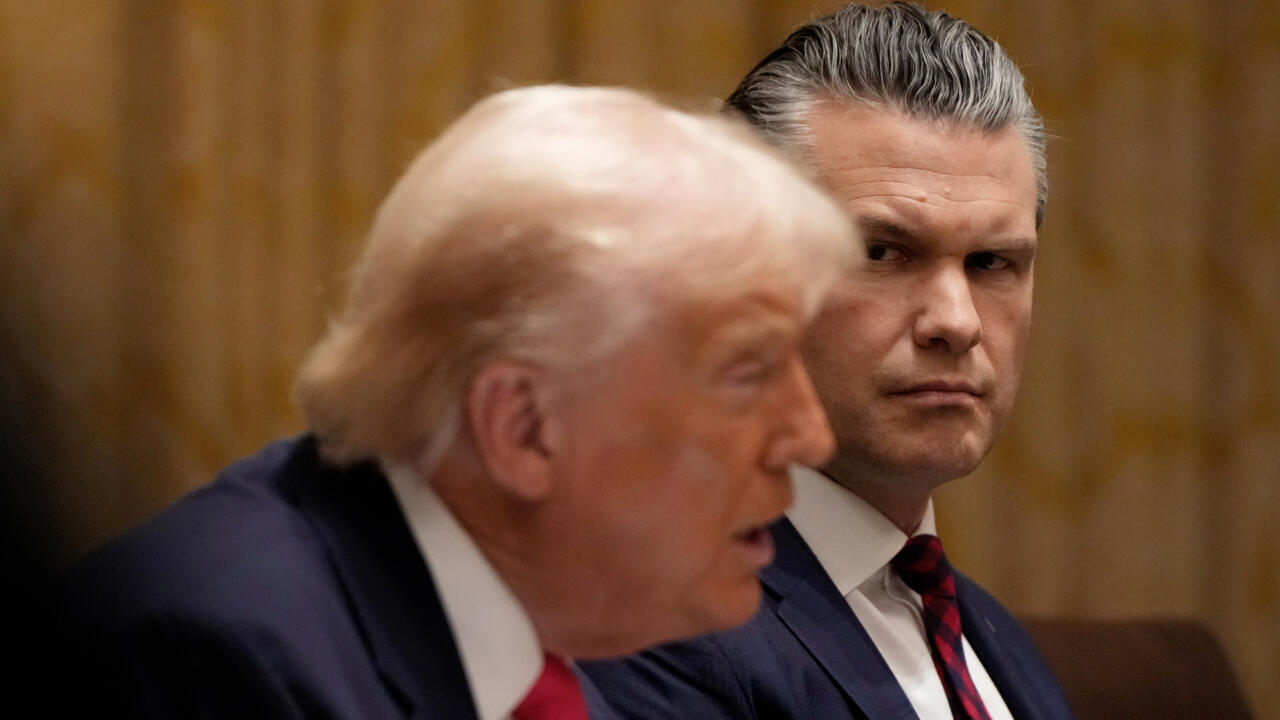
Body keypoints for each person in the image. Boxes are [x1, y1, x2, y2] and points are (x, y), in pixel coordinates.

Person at [57, 85, 858, 719]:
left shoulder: (554, 636)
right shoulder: (216, 660)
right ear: (523, 428)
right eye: (748, 374)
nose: (810, 435)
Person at [583, 4, 1075, 719]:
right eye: (881, 251)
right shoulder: (654, 617)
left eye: (991, 262)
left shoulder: (1000, 644)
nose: (957, 322)